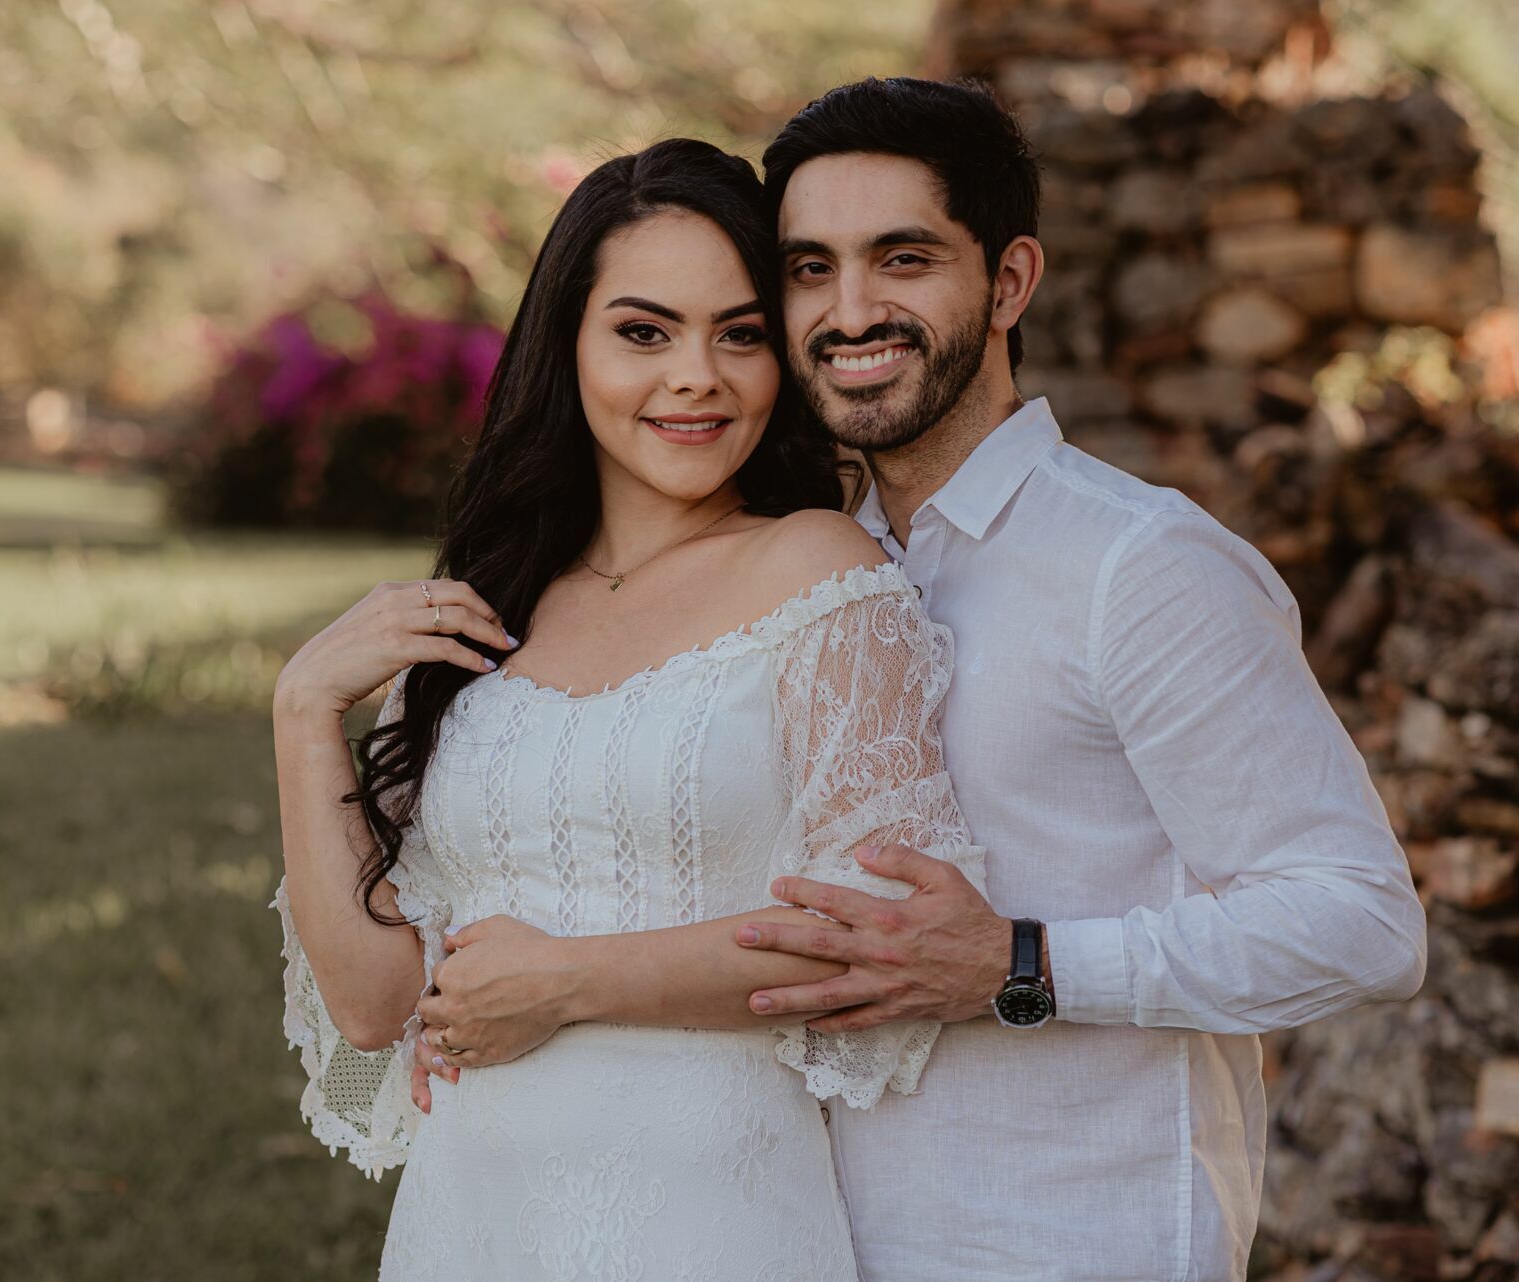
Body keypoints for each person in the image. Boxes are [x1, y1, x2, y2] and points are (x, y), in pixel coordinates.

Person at [407, 78, 1430, 1280]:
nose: (851, 312)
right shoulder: (810, 568)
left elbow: (1362, 923)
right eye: (810, 268)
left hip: (1065, 1242)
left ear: (1009, 282)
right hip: (798, 1232)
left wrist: (1023, 966)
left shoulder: (1137, 566)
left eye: (903, 259)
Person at [267, 135, 987, 1281]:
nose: (696, 376)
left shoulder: (817, 570)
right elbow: (372, 1004)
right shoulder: (483, 610)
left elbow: (875, 938)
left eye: (739, 334)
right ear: (567, 344)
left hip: (710, 1216)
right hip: (475, 1219)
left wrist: (565, 982)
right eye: (645, 332)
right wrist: (304, 709)